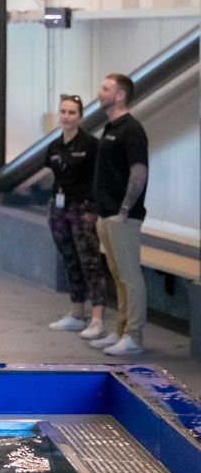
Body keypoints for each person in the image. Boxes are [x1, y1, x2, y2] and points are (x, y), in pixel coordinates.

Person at [89, 73, 149, 357]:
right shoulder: (110, 127)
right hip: (107, 215)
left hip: (122, 217)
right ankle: (122, 329)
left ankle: (134, 336)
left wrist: (124, 210)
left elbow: (139, 172)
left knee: (129, 276)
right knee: (118, 275)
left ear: (120, 95)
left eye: (105, 88)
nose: (99, 92)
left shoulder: (131, 129)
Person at [42, 94, 107, 341]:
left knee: (90, 260)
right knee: (70, 259)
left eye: (72, 113)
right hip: (59, 207)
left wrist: (95, 208)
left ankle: (98, 318)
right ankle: (77, 313)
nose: (67, 117)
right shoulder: (54, 146)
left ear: (80, 117)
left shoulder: (91, 145)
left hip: (83, 208)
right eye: (63, 112)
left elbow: (100, 177)